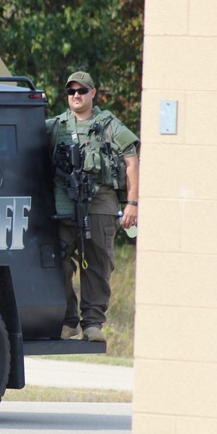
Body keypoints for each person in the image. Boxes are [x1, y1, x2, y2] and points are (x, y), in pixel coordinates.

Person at [46, 72, 139, 343]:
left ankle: (93, 323)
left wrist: (132, 203)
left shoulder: (108, 124)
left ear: (93, 93)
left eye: (82, 90)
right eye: (71, 91)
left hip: (100, 203)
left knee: (98, 262)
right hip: (65, 204)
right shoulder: (56, 126)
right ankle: (68, 320)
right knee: (57, 262)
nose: (76, 95)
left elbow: (131, 161)